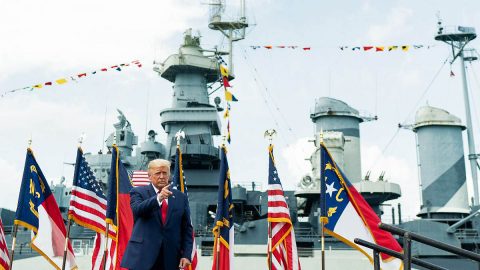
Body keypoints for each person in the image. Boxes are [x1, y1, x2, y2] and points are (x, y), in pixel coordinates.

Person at [121, 159, 193, 270]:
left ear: (169, 175)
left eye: (165, 173)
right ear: (149, 176)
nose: (162, 176)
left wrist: (186, 255)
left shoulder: (181, 197)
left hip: (171, 258)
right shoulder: (138, 192)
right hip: (143, 257)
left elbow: (187, 228)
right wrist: (158, 198)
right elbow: (137, 210)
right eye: (158, 173)